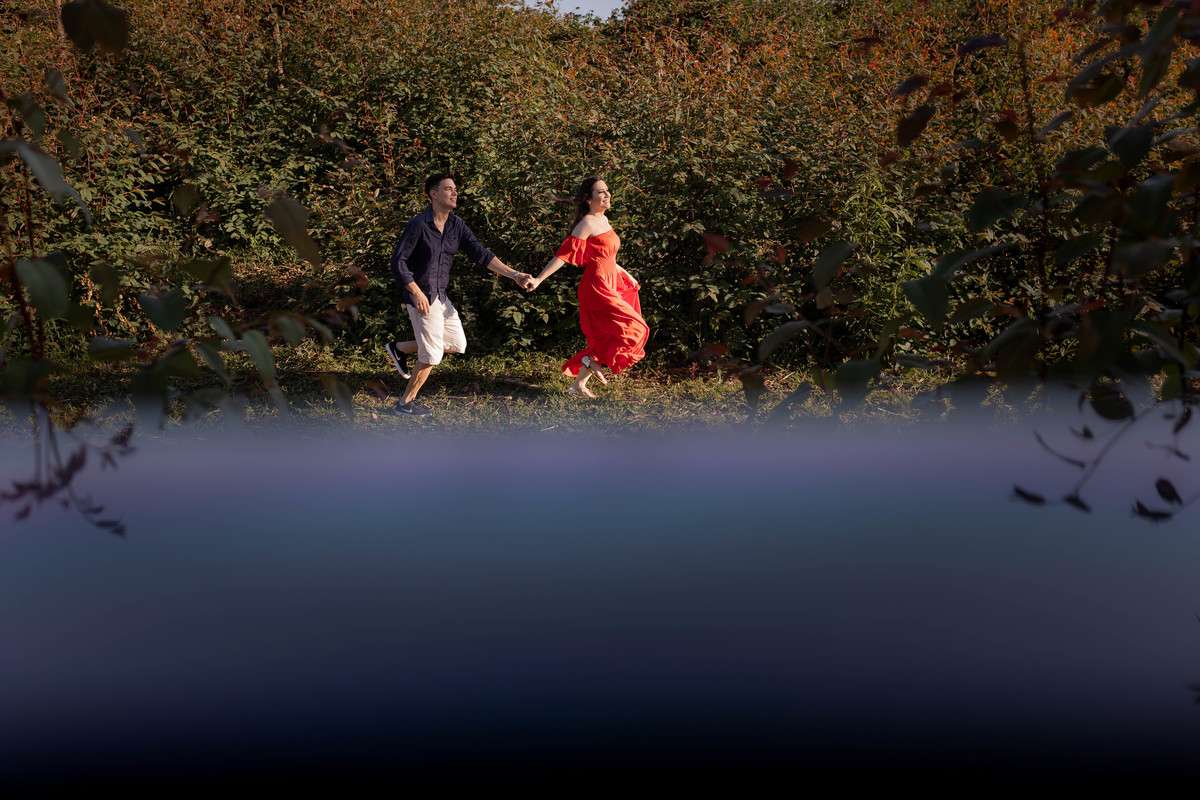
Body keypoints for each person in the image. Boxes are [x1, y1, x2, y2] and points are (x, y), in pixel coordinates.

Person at [385, 172, 534, 417]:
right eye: (448, 189)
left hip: (441, 297)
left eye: (455, 189)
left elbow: (481, 254)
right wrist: (415, 292)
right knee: (431, 355)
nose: (454, 192)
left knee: (456, 344)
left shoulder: (456, 225)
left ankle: (399, 348)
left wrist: (515, 274)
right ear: (433, 194)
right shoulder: (419, 225)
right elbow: (398, 261)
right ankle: (404, 405)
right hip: (422, 297)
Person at [527, 176, 649, 398]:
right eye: (601, 192)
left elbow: (605, 255)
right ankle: (588, 363)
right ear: (588, 198)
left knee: (610, 335)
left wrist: (625, 273)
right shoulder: (587, 224)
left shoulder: (604, 219)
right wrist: (539, 279)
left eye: (607, 190)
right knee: (636, 328)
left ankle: (579, 384)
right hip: (597, 286)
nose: (607, 194)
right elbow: (563, 256)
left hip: (610, 280)